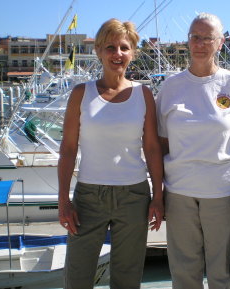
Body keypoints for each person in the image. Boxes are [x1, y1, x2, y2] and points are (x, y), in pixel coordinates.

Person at [156, 13, 230, 289]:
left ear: (220, 43)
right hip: (180, 192)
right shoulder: (171, 86)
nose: (201, 43)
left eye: (208, 38)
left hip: (223, 192)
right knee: (184, 272)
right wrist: (157, 194)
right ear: (188, 42)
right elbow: (161, 144)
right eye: (195, 37)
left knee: (223, 272)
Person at [58, 18, 164, 289]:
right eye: (110, 47)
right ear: (99, 52)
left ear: (133, 53)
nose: (118, 54)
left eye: (124, 47)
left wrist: (158, 197)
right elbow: (68, 150)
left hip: (134, 196)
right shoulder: (81, 93)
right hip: (88, 197)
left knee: (127, 277)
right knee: (78, 275)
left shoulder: (144, 94)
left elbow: (151, 148)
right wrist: (64, 201)